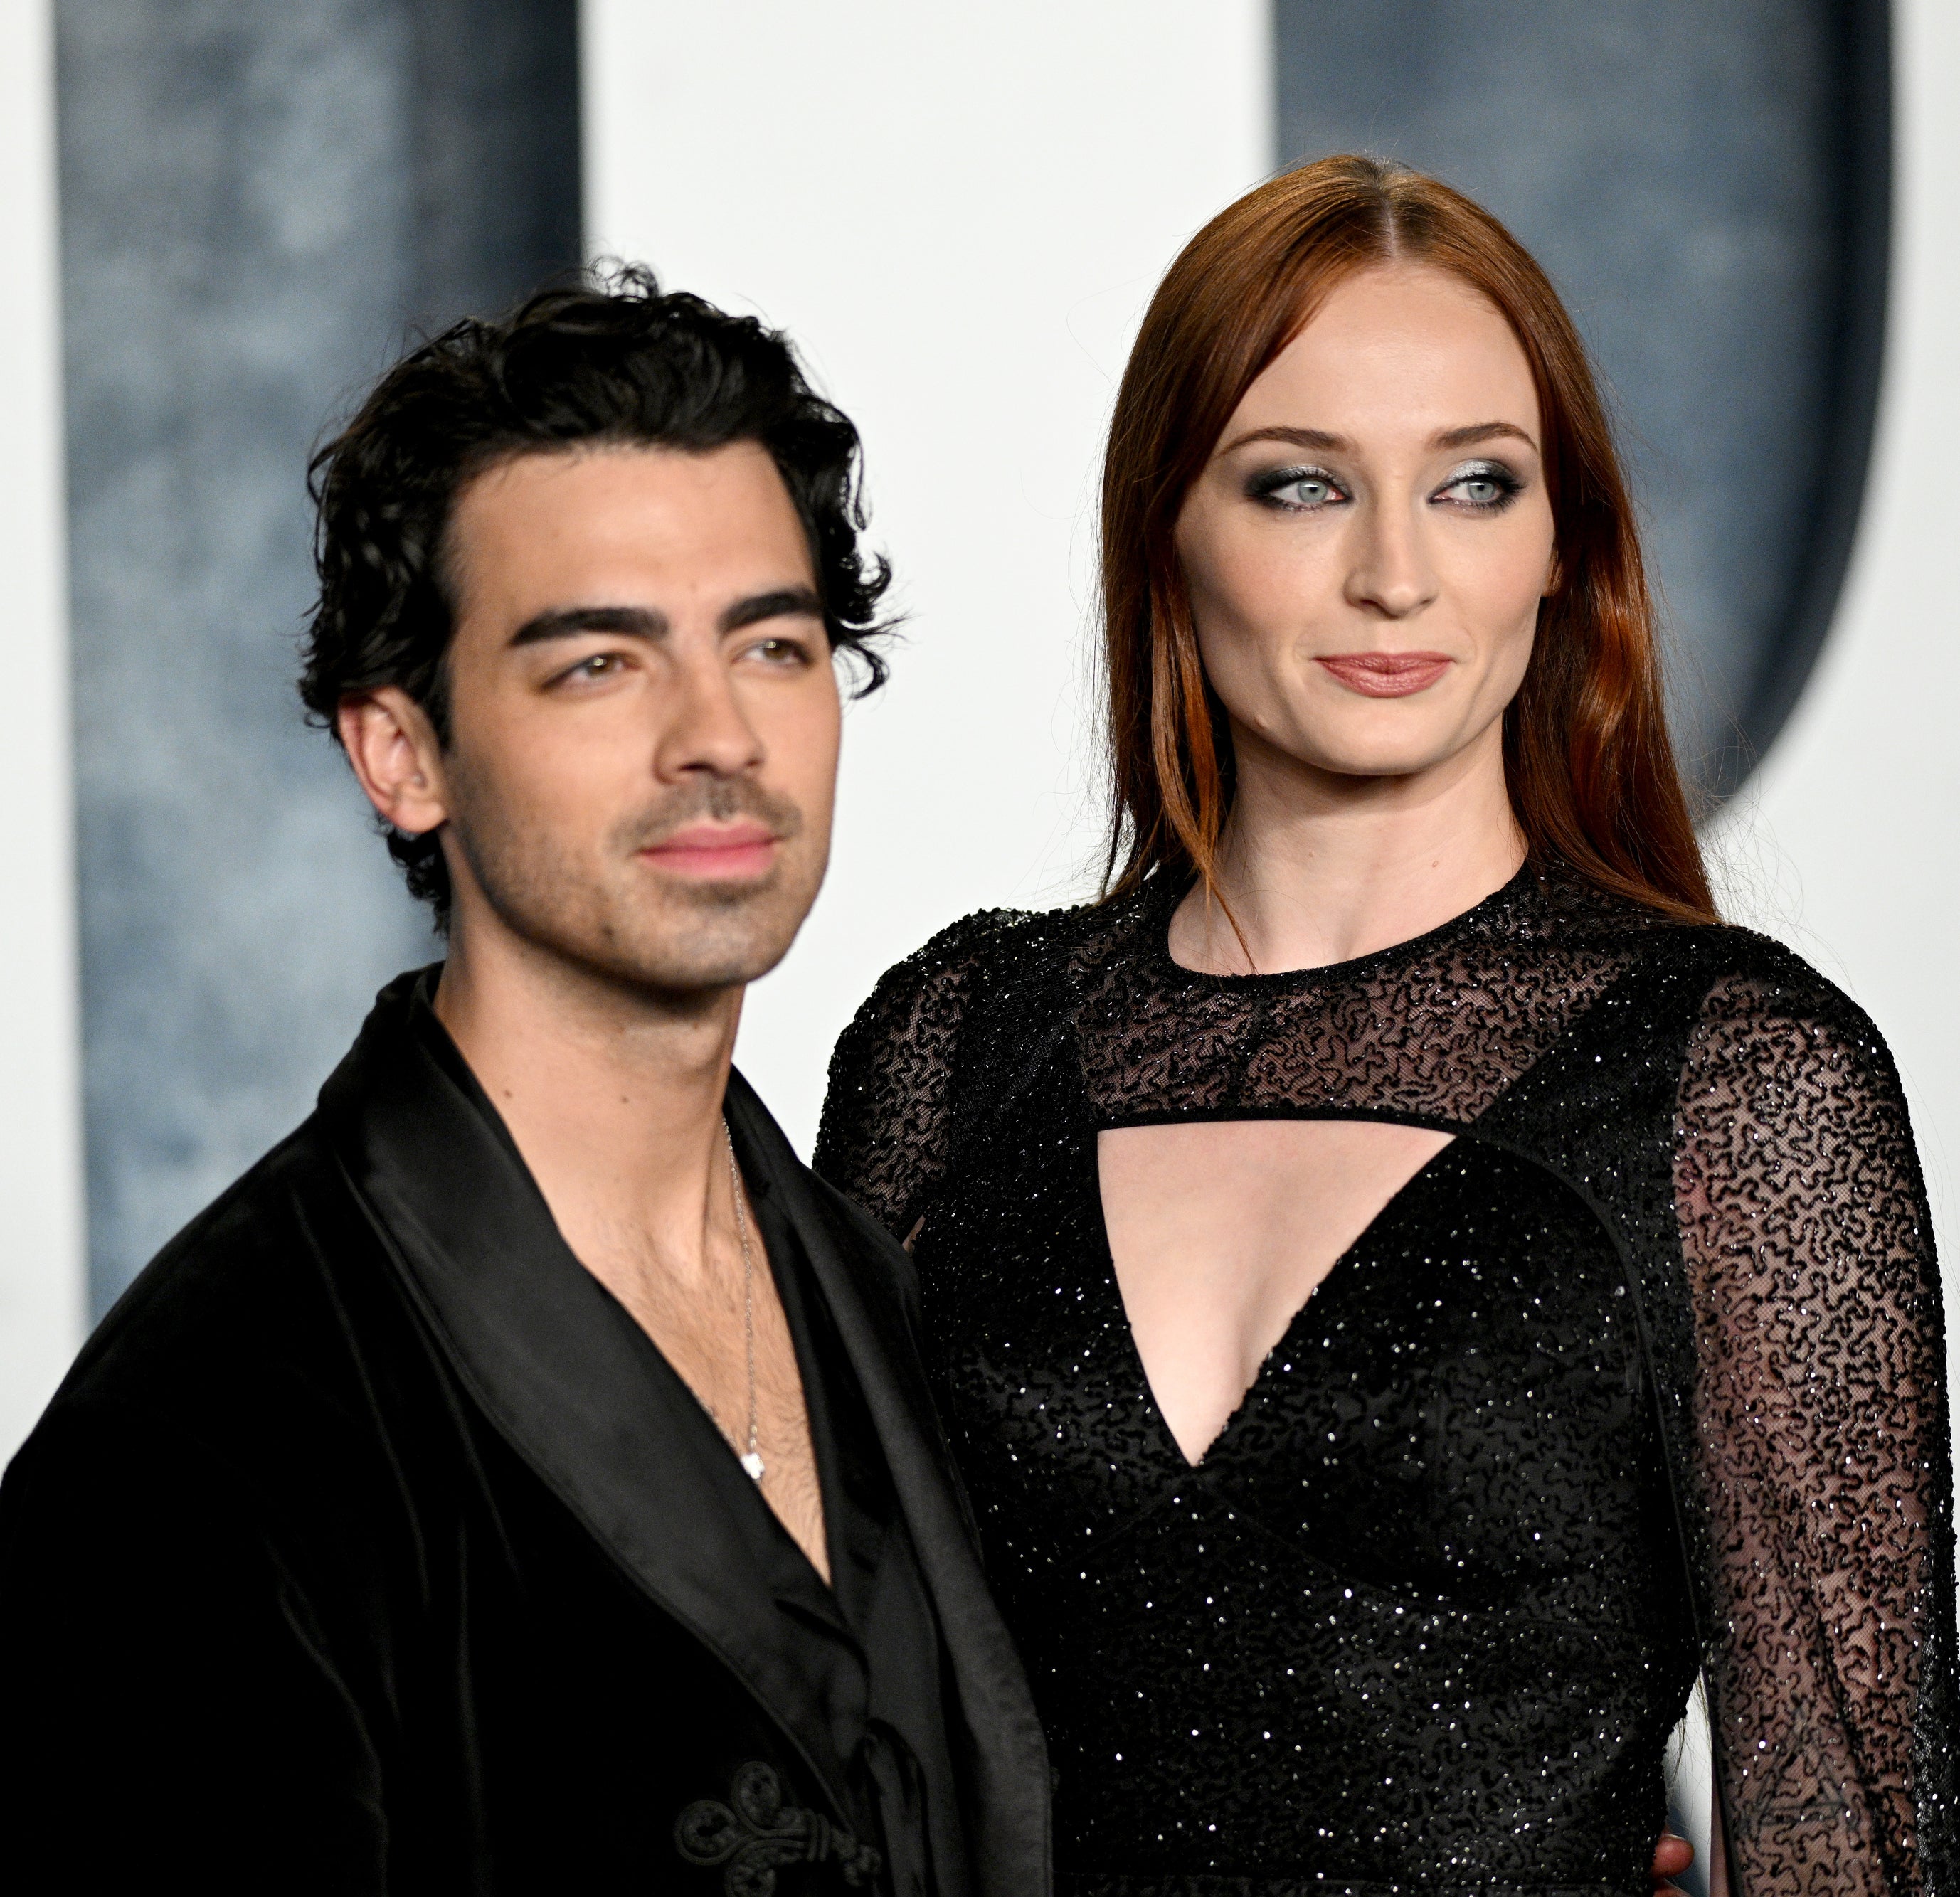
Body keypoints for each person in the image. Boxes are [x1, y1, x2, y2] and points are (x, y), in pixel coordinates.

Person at [816, 156, 1956, 1895]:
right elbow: (826, 1727)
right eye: (1298, 487)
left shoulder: (1734, 1077)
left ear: (1563, 547)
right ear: (1165, 529)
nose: (1396, 577)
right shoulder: (952, 1040)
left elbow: (1856, 1842)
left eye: (1475, 484)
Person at [0, 272, 1049, 1894]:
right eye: (597, 666)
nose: (719, 735)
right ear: (400, 753)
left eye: (770, 645)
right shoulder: (208, 1435)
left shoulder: (866, 1282)